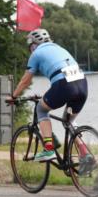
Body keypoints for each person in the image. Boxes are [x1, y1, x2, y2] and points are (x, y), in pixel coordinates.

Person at [7, 28, 89, 162]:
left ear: (33, 44)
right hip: (82, 83)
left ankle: (49, 149)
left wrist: (13, 96)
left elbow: (26, 81)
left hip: (64, 85)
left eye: (30, 47)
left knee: (41, 109)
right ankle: (85, 153)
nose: (30, 50)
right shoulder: (59, 48)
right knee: (69, 121)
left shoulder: (36, 54)